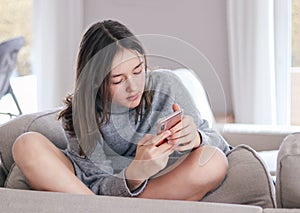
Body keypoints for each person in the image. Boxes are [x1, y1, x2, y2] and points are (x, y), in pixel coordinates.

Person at [12, 20, 231, 201]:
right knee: (26, 144)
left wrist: (196, 138)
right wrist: (134, 174)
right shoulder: (83, 112)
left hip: (158, 182)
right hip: (92, 191)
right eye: (118, 80)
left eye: (138, 71)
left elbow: (221, 145)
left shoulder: (167, 85)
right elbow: (95, 183)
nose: (134, 87)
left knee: (214, 160)